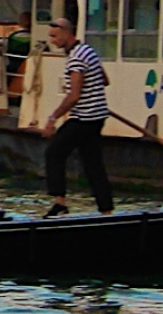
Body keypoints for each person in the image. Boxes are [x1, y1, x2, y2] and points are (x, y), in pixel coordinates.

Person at [39, 16, 115, 216]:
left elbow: (74, 96)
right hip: (97, 116)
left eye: (55, 36)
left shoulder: (76, 58)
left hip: (84, 118)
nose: (52, 41)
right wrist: (90, 85)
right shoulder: (88, 51)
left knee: (54, 152)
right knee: (93, 165)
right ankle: (106, 210)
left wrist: (52, 118)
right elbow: (104, 80)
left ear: (66, 33)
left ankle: (60, 203)